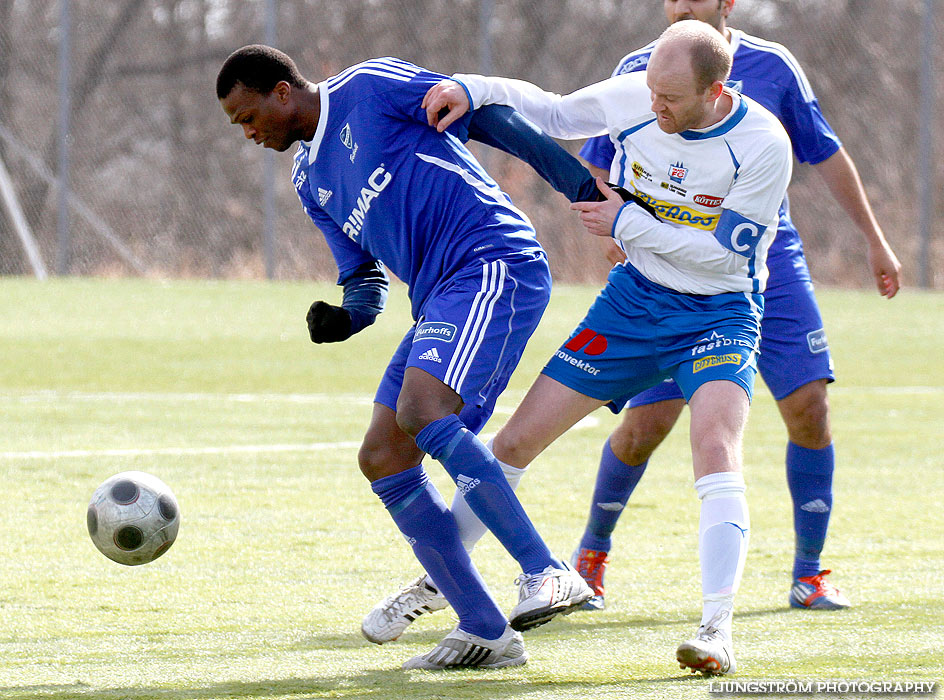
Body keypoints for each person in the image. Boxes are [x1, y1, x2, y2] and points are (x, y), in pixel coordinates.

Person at [389, 19, 792, 675]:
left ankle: (716, 631)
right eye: (651, 93)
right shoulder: (640, 95)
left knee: (716, 449)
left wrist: (627, 221)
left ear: (717, 90)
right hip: (634, 304)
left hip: (719, 315)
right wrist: (471, 86)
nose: (654, 108)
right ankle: (442, 585)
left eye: (670, 100)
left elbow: (723, 255)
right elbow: (551, 111)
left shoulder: (762, 144)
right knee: (515, 441)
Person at [215, 46, 593, 671]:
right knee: (383, 456)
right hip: (439, 295)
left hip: (493, 260)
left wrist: (577, 184)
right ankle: (486, 631)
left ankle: (548, 573)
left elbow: (482, 115)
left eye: (248, 116)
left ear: (283, 92)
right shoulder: (309, 180)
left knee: (422, 410)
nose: (249, 133)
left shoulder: (367, 87)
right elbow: (363, 277)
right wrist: (348, 316)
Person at [570, 0, 902, 614]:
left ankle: (809, 574)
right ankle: (589, 557)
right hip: (673, 272)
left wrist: (875, 239)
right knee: (647, 425)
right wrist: (623, 232)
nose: (680, 5)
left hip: (765, 267)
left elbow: (824, 153)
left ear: (727, 2)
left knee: (809, 406)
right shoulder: (642, 69)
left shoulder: (774, 65)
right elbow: (595, 159)